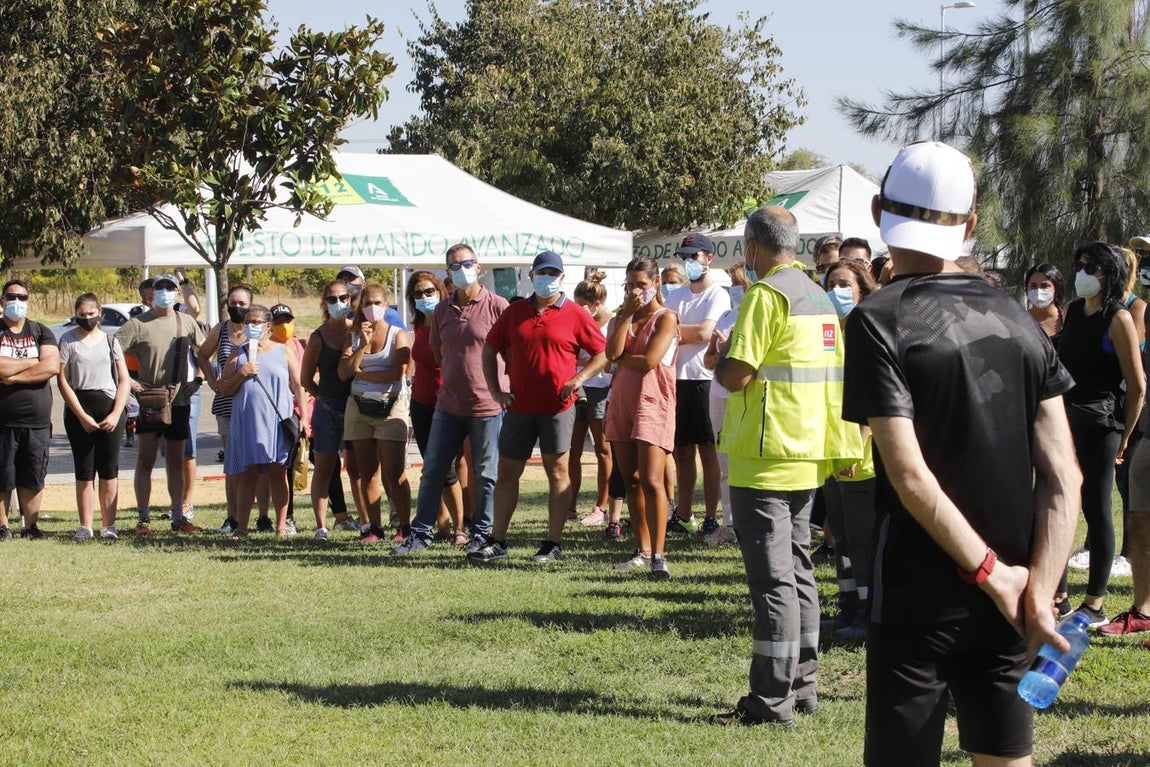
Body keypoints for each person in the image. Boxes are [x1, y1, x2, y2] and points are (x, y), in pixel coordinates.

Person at [843, 141, 1080, 766]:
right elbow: (1064, 475)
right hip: (1011, 595)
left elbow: (909, 475)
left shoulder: (878, 317)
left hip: (922, 597)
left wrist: (992, 574)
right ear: (970, 225)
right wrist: (1037, 590)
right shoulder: (1022, 319)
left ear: (877, 213)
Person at [711, 208, 857, 729]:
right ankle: (804, 685)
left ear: (752, 247)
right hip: (807, 453)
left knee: (773, 583)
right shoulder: (818, 297)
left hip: (766, 457)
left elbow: (736, 375)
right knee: (798, 574)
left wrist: (718, 357)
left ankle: (771, 702)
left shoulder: (766, 296)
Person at [469, 251, 607, 564]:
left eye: (553, 274)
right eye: (542, 273)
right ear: (531, 276)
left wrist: (579, 377)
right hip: (519, 407)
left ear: (561, 278)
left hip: (557, 408)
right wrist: (495, 390)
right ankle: (497, 540)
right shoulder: (515, 311)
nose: (548, 279)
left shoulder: (575, 313)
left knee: (557, 470)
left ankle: (552, 543)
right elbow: (490, 349)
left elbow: (604, 353)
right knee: (507, 472)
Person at [393, 243, 509, 556]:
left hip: (487, 406)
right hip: (448, 405)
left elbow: (512, 352)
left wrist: (501, 389)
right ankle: (420, 535)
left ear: (478, 266)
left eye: (466, 264)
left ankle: (482, 534)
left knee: (485, 473)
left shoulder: (498, 306)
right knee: (432, 470)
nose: (461, 270)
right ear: (448, 272)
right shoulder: (443, 310)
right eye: (454, 266)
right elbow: (439, 353)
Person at [1056, 241, 1145, 625]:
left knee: (1096, 509)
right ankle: (1057, 595)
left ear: (1109, 274)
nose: (1082, 273)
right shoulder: (1074, 311)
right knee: (1058, 505)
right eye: (1079, 265)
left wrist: (1124, 434)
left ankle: (1094, 602)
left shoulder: (1119, 318)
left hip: (1101, 425)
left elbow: (1137, 384)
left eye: (1090, 267)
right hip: (1065, 421)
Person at [116, 273, 209, 534]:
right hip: (149, 401)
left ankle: (178, 517)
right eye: (160, 288)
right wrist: (129, 381)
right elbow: (113, 349)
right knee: (145, 460)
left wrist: (200, 379)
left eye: (170, 288)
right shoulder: (138, 323)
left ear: (178, 294)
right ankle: (143, 519)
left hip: (178, 400)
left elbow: (203, 353)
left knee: (176, 461)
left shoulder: (186, 322)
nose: (165, 292)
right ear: (151, 292)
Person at [604, 256, 679, 578]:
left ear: (656, 284)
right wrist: (627, 316)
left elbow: (650, 360)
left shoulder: (666, 318)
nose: (636, 291)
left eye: (642, 285)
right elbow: (610, 354)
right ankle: (642, 549)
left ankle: (660, 554)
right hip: (622, 401)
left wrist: (622, 357)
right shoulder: (622, 317)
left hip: (653, 402)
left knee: (651, 479)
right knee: (631, 480)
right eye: (631, 285)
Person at [819, 258, 880, 641]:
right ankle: (848, 609)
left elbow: (877, 396)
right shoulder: (829, 332)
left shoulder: (868, 330)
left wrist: (855, 447)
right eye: (830, 283)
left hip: (862, 457)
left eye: (844, 284)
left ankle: (869, 617)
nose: (836, 290)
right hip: (830, 453)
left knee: (863, 540)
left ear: (862, 289)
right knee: (839, 536)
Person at [218, 304, 308, 538]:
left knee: (277, 472)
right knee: (248, 475)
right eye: (247, 322)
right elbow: (223, 387)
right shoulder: (238, 353)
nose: (250, 326)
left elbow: (298, 386)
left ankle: (281, 525)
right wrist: (241, 373)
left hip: (276, 422)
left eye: (256, 322)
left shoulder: (284, 350)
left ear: (268, 326)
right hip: (247, 420)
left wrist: (305, 419)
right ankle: (242, 527)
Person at [664, 233, 730, 537]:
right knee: (682, 452)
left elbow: (706, 332)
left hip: (704, 381)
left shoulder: (717, 294)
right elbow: (662, 329)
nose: (690, 262)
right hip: (676, 380)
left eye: (695, 256)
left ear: (708, 258)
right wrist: (679, 332)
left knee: (709, 453)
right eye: (686, 257)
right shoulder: (675, 295)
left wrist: (675, 331)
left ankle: (711, 516)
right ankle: (684, 514)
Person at [339, 283, 412, 544]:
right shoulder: (354, 334)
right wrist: (362, 346)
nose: (372, 308)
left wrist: (362, 373)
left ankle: (404, 525)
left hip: (390, 407)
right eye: (367, 303)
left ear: (386, 304)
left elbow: (396, 373)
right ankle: (373, 527)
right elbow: (343, 372)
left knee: (394, 472)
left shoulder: (398, 334)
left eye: (378, 303)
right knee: (366, 471)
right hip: (358, 408)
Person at [57, 293, 132, 541]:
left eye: (91, 314)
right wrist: (81, 416)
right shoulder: (68, 341)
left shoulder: (111, 341)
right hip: (80, 411)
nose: (87, 318)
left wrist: (115, 413)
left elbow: (124, 380)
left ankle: (109, 525)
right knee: (84, 469)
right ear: (76, 315)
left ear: (99, 313)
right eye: (82, 315)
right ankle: (85, 525)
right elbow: (63, 381)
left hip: (110, 409)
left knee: (109, 469)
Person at [404, 271, 466, 545]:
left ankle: (461, 528)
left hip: (449, 402)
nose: (424, 297)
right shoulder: (418, 324)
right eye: (418, 294)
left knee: (447, 468)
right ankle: (442, 525)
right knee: (432, 467)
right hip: (421, 403)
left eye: (429, 291)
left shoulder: (449, 320)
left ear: (441, 292)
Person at [0, 280, 60, 541]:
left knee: (33, 475)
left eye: (22, 297)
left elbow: (51, 366)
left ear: (29, 301)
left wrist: (12, 376)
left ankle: (30, 526)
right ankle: (2, 527)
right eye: (11, 296)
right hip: (3, 420)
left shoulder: (40, 331)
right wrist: (32, 362)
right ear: (2, 301)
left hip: (36, 421)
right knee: (2, 475)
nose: (17, 301)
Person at [301, 279, 360, 540]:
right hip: (327, 409)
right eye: (333, 299)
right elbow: (305, 379)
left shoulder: (358, 331)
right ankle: (321, 525)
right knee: (325, 468)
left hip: (357, 407)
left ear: (351, 299)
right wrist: (322, 398)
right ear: (325, 303)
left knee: (360, 468)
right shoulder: (318, 337)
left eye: (343, 298)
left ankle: (368, 523)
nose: (339, 303)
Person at [701, 264, 752, 546]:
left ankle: (748, 522)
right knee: (725, 462)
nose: (734, 288)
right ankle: (729, 523)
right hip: (719, 392)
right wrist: (716, 354)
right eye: (731, 282)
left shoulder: (753, 315)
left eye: (739, 282)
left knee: (744, 460)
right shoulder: (725, 316)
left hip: (743, 394)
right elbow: (709, 362)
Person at [200, 284, 253, 533]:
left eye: (243, 303)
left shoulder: (258, 327)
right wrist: (212, 381)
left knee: (255, 464)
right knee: (232, 463)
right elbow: (202, 355)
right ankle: (232, 517)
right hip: (226, 404)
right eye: (234, 302)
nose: (238, 307)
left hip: (254, 405)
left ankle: (257, 516)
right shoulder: (221, 329)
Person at [570, 271, 614, 526]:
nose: (577, 311)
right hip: (576, 388)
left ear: (596, 305)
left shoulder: (611, 322)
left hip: (601, 389)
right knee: (573, 450)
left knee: (602, 449)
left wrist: (585, 362)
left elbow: (607, 357)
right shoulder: (578, 319)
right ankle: (570, 505)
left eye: (581, 306)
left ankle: (601, 505)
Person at [1024, 263, 1065, 348]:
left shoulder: (1068, 318)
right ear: (1026, 290)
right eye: (1033, 286)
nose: (1038, 291)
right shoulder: (1020, 321)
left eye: (1044, 286)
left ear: (1056, 289)